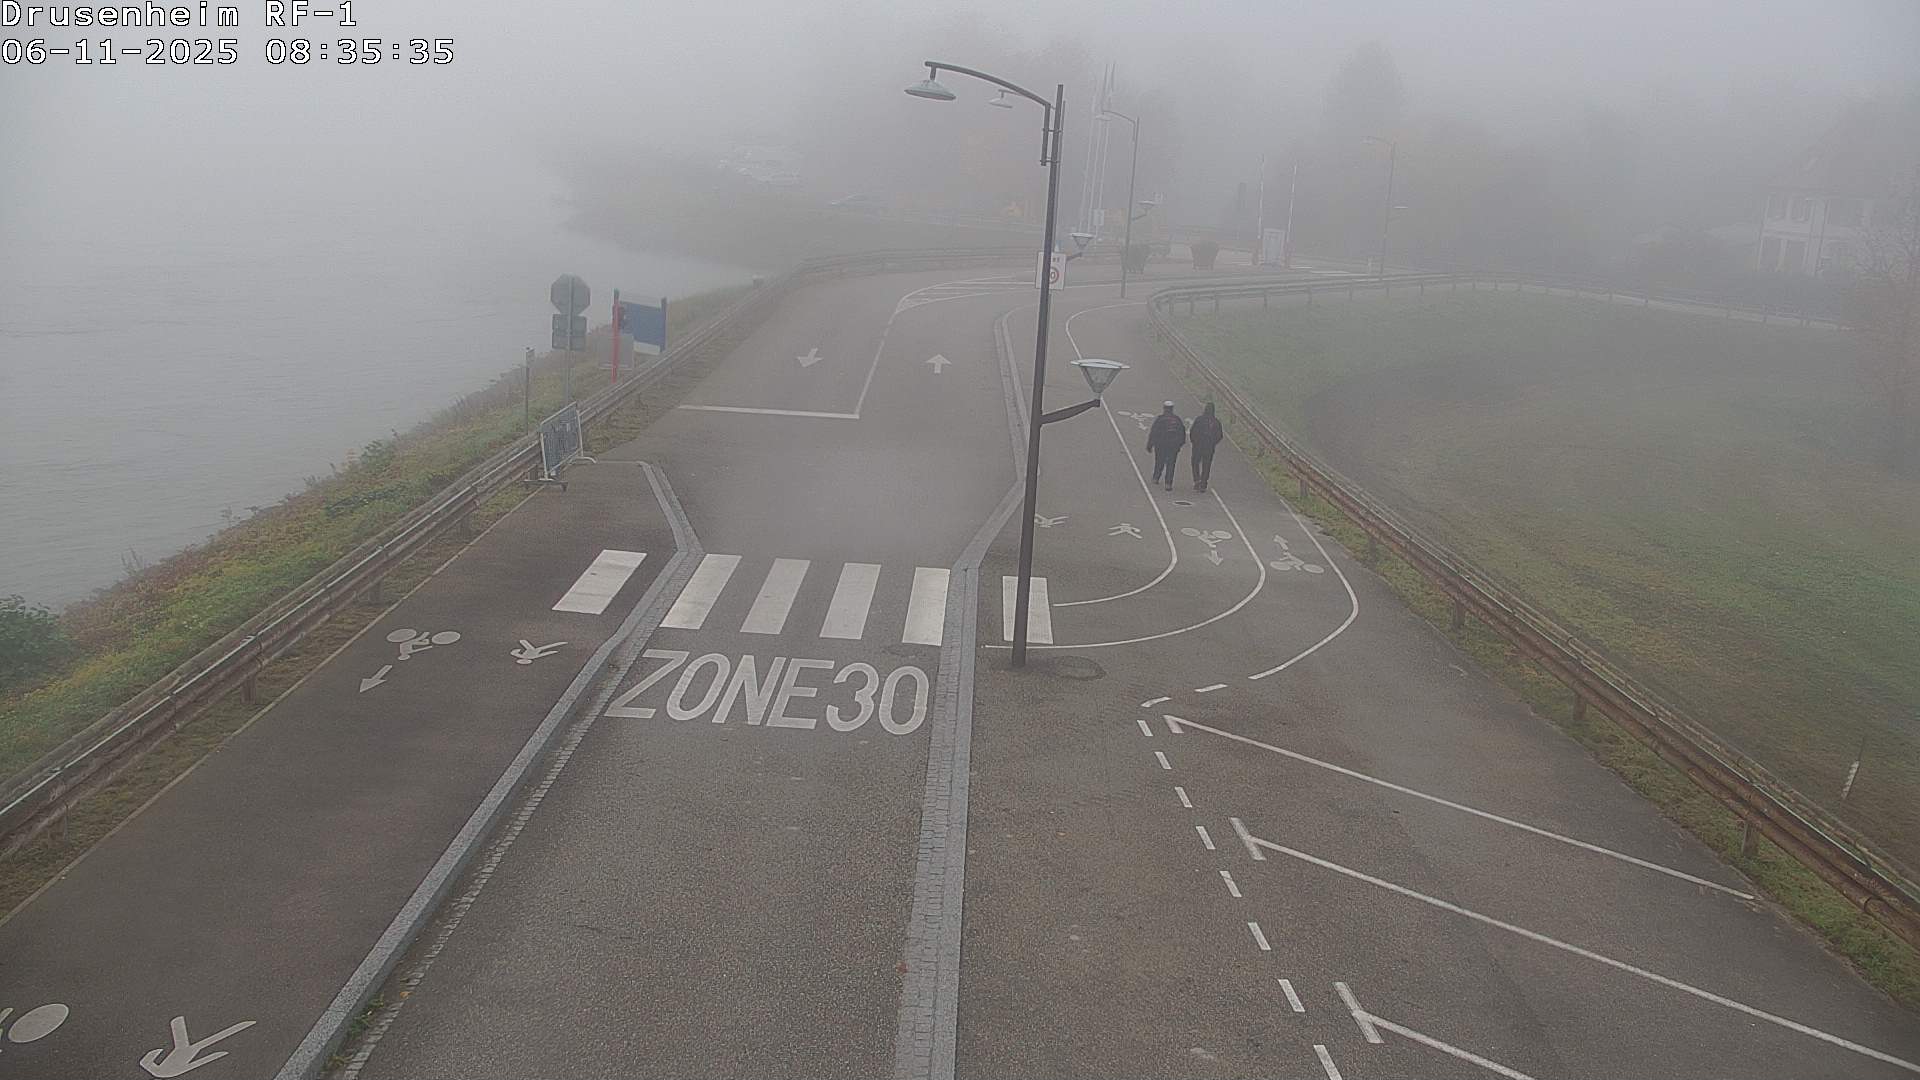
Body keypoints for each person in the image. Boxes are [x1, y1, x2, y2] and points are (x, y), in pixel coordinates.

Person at [1145, 401, 1186, 492]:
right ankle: (1168, 483)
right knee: (1171, 464)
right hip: (1173, 446)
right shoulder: (1177, 420)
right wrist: (1179, 445)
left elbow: (1154, 432)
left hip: (1161, 445)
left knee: (1159, 461)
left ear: (1164, 408)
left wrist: (1150, 444)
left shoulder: (1160, 419)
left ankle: (1156, 477)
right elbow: (1182, 433)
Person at [1189, 402, 1223, 492]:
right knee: (1206, 465)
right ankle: (1203, 483)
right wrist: (1213, 443)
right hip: (1209, 448)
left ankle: (1197, 480)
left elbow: (1192, 432)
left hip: (1198, 446)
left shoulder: (1199, 420)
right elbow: (1219, 436)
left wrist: (1194, 442)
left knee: (1195, 462)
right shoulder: (1216, 422)